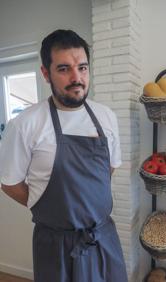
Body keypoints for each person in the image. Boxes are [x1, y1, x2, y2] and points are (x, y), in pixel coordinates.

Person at [0, 29, 128, 282]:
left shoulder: (106, 117)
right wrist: (48, 207)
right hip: (55, 246)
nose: (76, 78)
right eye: (63, 69)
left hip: (103, 239)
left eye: (82, 67)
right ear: (45, 73)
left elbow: (108, 169)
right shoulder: (25, 124)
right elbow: (10, 183)